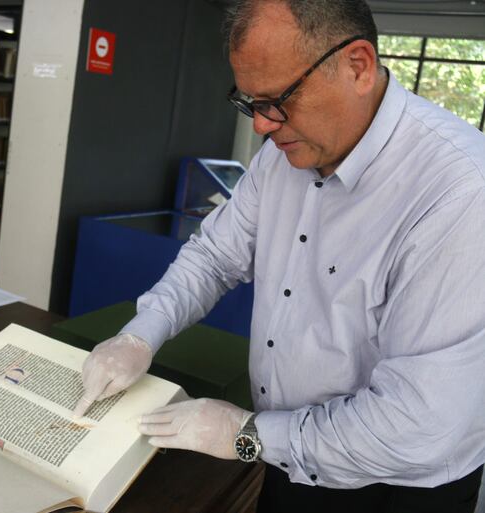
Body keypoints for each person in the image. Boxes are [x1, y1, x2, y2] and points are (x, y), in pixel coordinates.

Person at [72, 1, 485, 512]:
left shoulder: (461, 190)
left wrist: (246, 435)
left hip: (396, 488)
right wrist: (141, 332)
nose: (263, 127)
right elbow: (215, 256)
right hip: (284, 452)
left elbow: (421, 424)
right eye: (250, 103)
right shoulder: (283, 154)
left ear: (357, 65)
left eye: (278, 100)